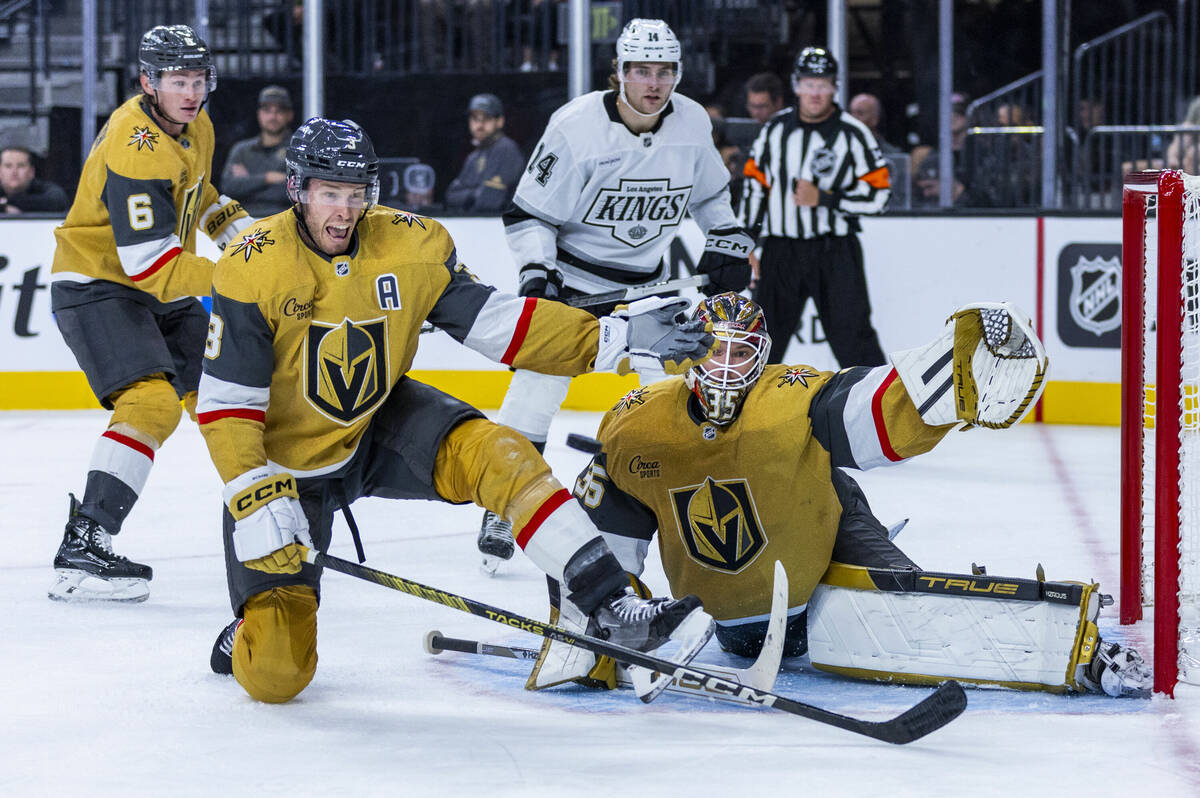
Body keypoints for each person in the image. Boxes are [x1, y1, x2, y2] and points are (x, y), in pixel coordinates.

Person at [200, 116, 719, 704]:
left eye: (355, 194)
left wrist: (614, 336)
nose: (343, 211)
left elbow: (502, 325)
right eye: (329, 194)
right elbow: (228, 404)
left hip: (378, 424)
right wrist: (251, 491)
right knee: (277, 677)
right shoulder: (252, 265)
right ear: (297, 190)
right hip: (285, 468)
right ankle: (245, 629)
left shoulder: (412, 244)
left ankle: (609, 605)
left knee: (502, 452)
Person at [532, 292, 1152, 698]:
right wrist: (601, 633)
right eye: (710, 350)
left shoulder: (794, 394)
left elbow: (869, 413)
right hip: (744, 625)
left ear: (765, 356)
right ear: (681, 353)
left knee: (838, 489)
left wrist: (945, 381)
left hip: (817, 538)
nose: (722, 367)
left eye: (739, 352)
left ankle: (1085, 657)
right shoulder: (634, 424)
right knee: (825, 478)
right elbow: (603, 546)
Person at [479, 18, 753, 569]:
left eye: (664, 71)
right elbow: (529, 213)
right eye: (641, 71)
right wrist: (539, 274)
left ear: (677, 74)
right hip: (575, 284)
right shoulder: (576, 126)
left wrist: (726, 243)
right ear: (619, 73)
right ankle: (503, 503)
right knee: (535, 390)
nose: (653, 83)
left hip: (649, 292)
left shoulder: (693, 122)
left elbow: (712, 199)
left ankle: (681, 510)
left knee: (676, 403)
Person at [47, 24, 252, 603]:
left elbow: (201, 195)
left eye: (197, 80)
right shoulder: (133, 143)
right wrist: (244, 278)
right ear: (148, 82)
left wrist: (253, 244)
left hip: (158, 288)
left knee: (226, 393)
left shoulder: (196, 124)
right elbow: (151, 264)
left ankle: (275, 512)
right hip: (97, 286)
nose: (190, 92)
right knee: (151, 403)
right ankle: (84, 544)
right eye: (176, 80)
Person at [739, 47, 888, 368]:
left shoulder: (853, 133)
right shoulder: (774, 130)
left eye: (823, 84)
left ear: (835, 87)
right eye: (809, 84)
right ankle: (745, 413)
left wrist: (825, 198)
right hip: (781, 252)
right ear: (796, 85)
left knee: (854, 337)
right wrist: (746, 243)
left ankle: (878, 413)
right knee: (760, 339)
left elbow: (880, 195)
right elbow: (755, 189)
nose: (816, 92)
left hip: (835, 251)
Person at [220, 84, 295, 218]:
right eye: (267, 110)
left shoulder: (297, 151)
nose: (273, 116)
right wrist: (269, 177)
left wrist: (248, 181)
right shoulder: (241, 150)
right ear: (259, 114)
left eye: (279, 111)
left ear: (289, 115)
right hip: (244, 221)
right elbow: (228, 188)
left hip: (285, 219)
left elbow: (299, 192)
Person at [443, 93, 525, 212]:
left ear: (500, 121)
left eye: (486, 119)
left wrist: (468, 195)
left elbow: (489, 202)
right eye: (475, 119)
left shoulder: (506, 149)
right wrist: (474, 194)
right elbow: (450, 196)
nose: (479, 125)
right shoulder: (474, 156)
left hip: (498, 226)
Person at [0, 146, 69, 214]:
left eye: (21, 166)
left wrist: (7, 202)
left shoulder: (42, 188)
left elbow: (58, 201)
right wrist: (4, 208)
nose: (14, 172)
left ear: (31, 172)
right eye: (8, 166)